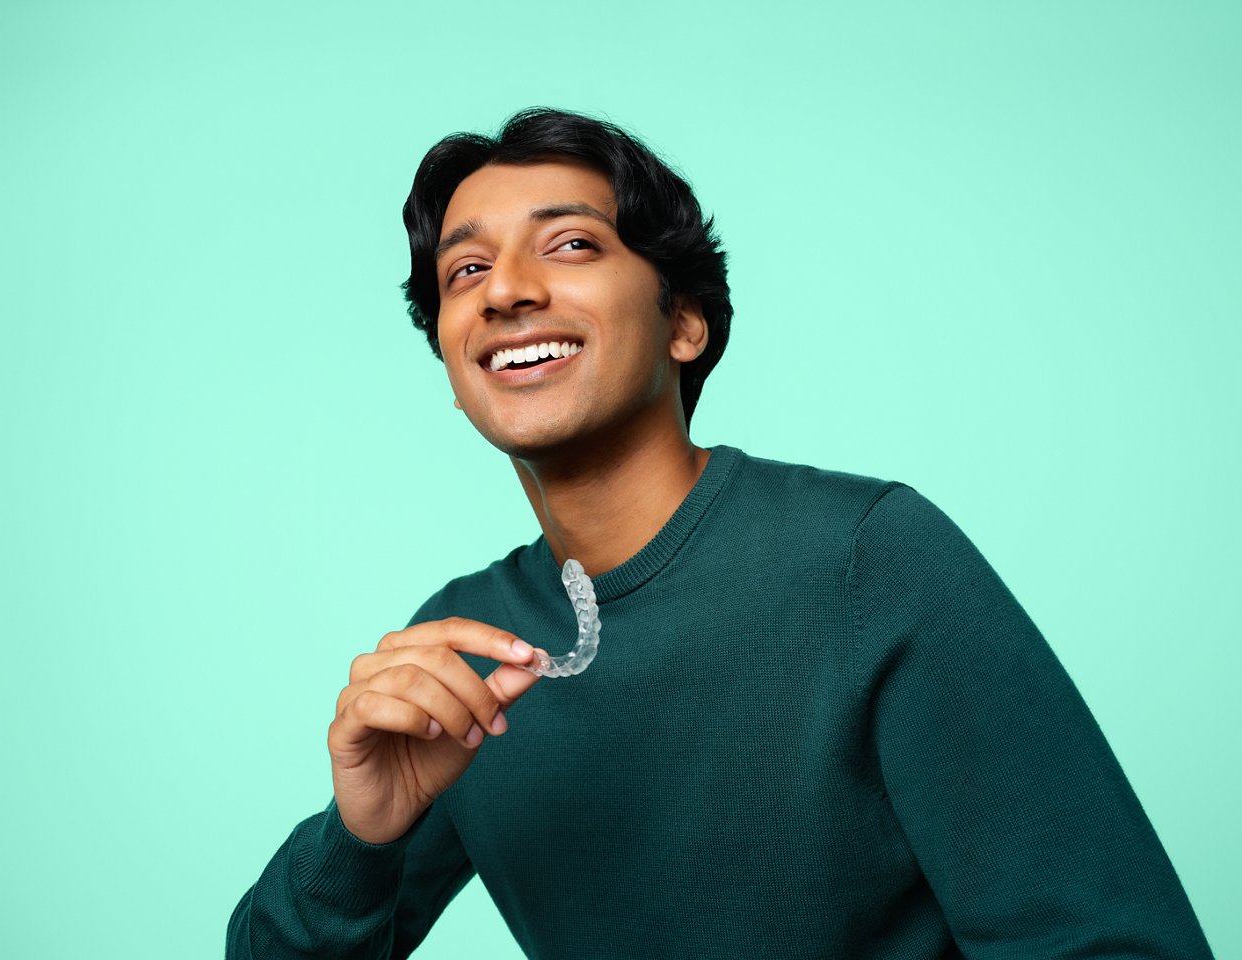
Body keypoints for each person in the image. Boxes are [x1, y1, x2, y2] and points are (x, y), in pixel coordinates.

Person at [226, 108, 1214, 959]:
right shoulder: (461, 647)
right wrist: (358, 840)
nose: (505, 290)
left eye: (569, 245)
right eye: (465, 269)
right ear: (452, 365)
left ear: (684, 322)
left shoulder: (868, 558)